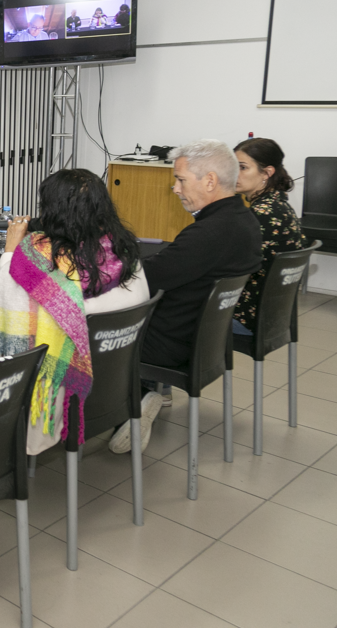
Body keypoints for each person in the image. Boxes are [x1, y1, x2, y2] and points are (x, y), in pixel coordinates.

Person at [108, 139, 262, 454]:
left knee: (87, 325)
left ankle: (126, 408)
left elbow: (144, 279)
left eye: (180, 180)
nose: (175, 189)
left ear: (210, 181)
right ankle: (135, 399)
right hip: (207, 340)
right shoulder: (244, 220)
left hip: (169, 343)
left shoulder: (209, 233)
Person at [0, 169, 149, 454]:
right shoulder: (126, 253)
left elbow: (1, 303)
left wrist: (11, 251)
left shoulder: (39, 265)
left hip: (68, 389)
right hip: (117, 384)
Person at [232, 137, 305, 336]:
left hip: (245, 317)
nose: (234, 174)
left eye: (243, 167)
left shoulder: (259, 215)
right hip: (272, 316)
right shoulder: (279, 206)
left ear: (267, 172)